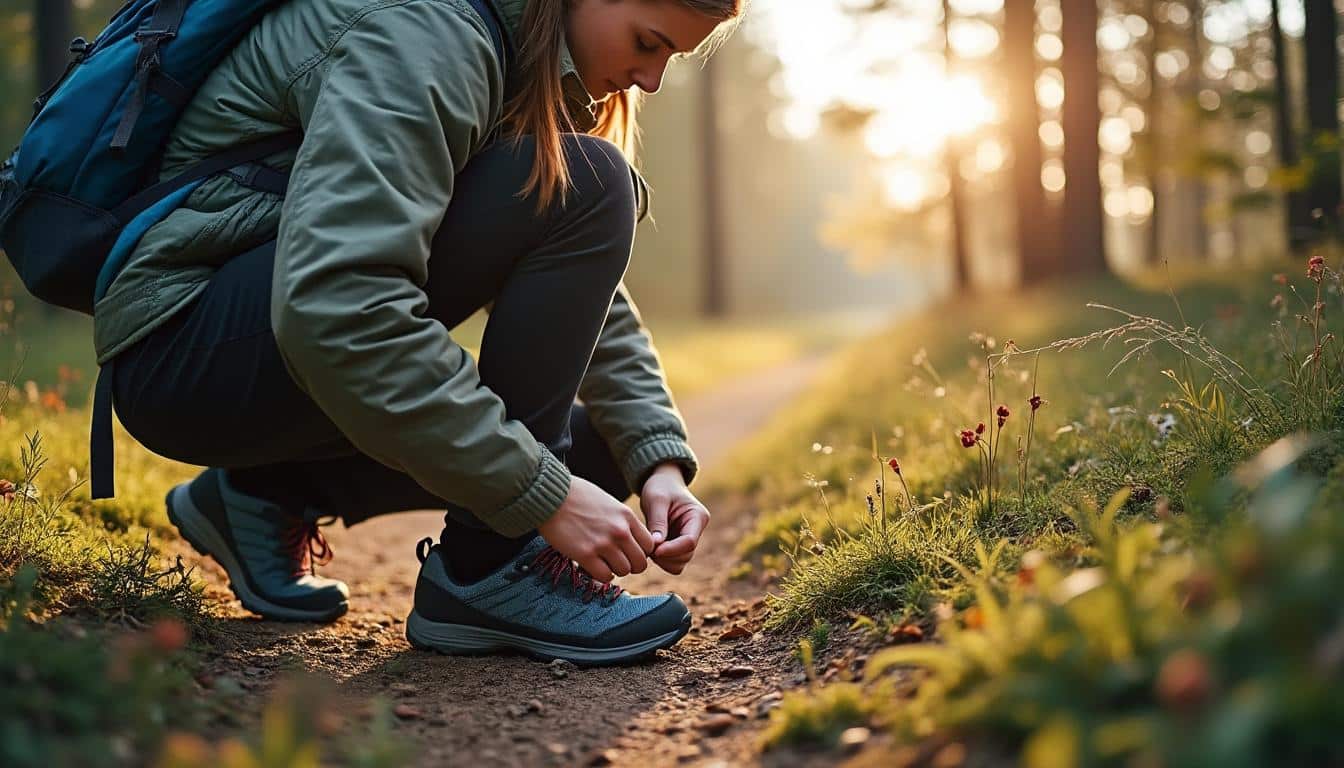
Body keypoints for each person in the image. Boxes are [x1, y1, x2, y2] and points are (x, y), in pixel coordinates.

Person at [96, 0, 744, 665]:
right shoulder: (428, 37)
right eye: (647, 42)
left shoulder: (511, 54)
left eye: (671, 57)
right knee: (592, 185)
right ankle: (489, 571)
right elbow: (341, 307)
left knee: (600, 455)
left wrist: (657, 459)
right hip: (182, 350)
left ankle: (263, 493)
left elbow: (587, 295)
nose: (652, 79)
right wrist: (540, 495)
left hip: (262, 349)